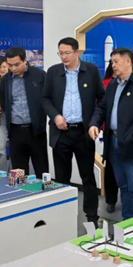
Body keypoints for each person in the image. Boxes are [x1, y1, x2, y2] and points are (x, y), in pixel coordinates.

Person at [89, 48, 133, 220]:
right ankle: (128, 222)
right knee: (123, 186)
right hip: (112, 142)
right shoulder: (113, 85)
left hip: (132, 143)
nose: (113, 65)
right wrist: (94, 123)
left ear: (128, 62)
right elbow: (102, 107)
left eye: (116, 61)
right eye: (111, 62)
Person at [42, 37, 104, 225]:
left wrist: (94, 123)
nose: (64, 57)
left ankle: (92, 217)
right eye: (60, 53)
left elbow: (101, 100)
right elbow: (45, 99)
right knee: (61, 178)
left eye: (67, 53)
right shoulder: (53, 72)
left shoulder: (91, 71)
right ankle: (63, 218)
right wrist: (55, 116)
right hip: (61, 133)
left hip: (83, 132)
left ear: (77, 52)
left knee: (88, 177)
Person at [0, 47, 49, 175]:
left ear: (25, 60)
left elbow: (47, 100)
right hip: (15, 131)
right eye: (10, 65)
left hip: (36, 131)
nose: (13, 68)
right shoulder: (5, 80)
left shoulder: (39, 75)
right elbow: (4, 103)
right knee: (19, 173)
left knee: (42, 170)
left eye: (17, 64)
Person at [102, 64, 119, 214]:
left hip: (128, 136)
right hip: (110, 133)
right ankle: (111, 200)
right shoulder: (107, 84)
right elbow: (101, 106)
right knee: (110, 170)